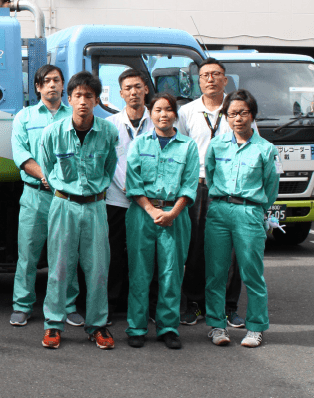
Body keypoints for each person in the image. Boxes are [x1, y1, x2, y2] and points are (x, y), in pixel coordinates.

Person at [38, 71, 119, 349]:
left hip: (95, 206)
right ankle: (53, 324)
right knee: (59, 267)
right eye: (78, 95)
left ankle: (97, 325)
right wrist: (66, 190)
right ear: (69, 99)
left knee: (98, 269)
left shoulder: (108, 132)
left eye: (89, 96)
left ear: (96, 100)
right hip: (63, 205)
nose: (83, 101)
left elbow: (110, 167)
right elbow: (47, 167)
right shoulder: (53, 133)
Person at [124, 93, 199, 349]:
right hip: (141, 214)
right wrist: (151, 210)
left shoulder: (188, 146)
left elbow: (189, 185)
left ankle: (168, 328)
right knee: (139, 273)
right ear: (150, 113)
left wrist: (172, 213)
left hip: (175, 215)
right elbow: (133, 183)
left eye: (168, 109)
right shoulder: (139, 143)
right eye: (157, 110)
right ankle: (136, 327)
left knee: (171, 273)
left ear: (175, 114)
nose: (163, 114)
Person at [9, 65, 82, 327]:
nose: (52, 85)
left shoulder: (74, 116)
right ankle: (22, 305)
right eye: (47, 81)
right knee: (28, 254)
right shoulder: (24, 117)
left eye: (57, 81)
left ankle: (68, 305)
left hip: (65, 198)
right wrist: (46, 177)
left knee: (66, 255)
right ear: (38, 87)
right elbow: (20, 154)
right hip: (34, 196)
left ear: (64, 86)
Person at [204, 90, 278, 348]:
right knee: (216, 272)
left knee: (252, 273)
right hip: (219, 211)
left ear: (252, 115)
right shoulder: (216, 145)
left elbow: (271, 186)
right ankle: (217, 326)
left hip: (249, 212)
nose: (238, 118)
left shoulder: (265, 149)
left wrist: (257, 209)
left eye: (243, 113)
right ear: (225, 116)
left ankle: (255, 327)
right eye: (232, 113)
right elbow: (210, 176)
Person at [177, 59, 245, 328]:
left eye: (216, 74)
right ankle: (194, 303)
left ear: (225, 80)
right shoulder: (187, 112)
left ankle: (228, 306)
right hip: (198, 185)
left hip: (231, 188)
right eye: (205, 75)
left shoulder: (237, 108)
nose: (210, 79)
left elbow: (251, 142)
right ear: (198, 81)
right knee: (195, 246)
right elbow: (180, 148)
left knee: (231, 250)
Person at [105, 69, 153, 314]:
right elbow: (107, 161)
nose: (133, 92)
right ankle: (112, 303)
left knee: (146, 253)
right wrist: (128, 184)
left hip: (150, 200)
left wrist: (142, 188)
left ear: (146, 89)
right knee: (113, 252)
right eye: (128, 88)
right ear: (121, 93)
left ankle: (146, 306)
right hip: (116, 199)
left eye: (137, 87)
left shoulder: (158, 120)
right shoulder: (110, 125)